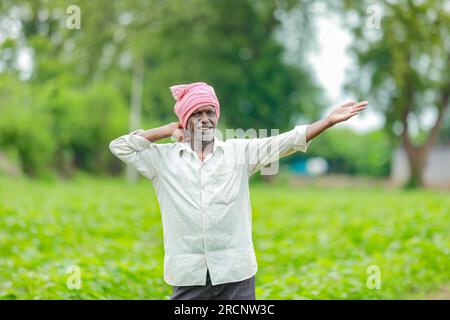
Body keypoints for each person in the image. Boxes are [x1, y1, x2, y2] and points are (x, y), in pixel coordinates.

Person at [109, 81, 368, 300]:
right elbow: (120, 146)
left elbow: (286, 141)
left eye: (209, 112)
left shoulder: (238, 152)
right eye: (196, 114)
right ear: (184, 121)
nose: (205, 120)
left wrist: (327, 121)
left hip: (236, 273)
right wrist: (166, 130)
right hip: (188, 273)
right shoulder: (163, 160)